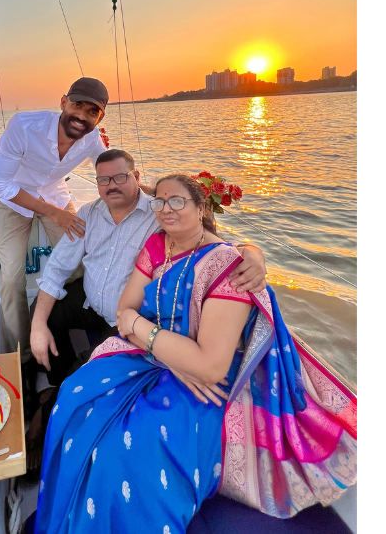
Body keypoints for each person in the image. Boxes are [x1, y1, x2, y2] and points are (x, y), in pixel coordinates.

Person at [34, 173, 357, 533]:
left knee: (129, 448)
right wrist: (168, 351)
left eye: (177, 201)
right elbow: (125, 310)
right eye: (159, 201)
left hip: (211, 382)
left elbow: (209, 365)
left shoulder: (229, 267)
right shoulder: (158, 245)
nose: (165, 209)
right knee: (76, 394)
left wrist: (146, 331)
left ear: (201, 208)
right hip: (158, 358)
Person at [30, 148, 269, 390]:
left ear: (136, 176)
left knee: (86, 375)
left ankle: (67, 384)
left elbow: (199, 237)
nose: (111, 185)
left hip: (127, 316)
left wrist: (249, 250)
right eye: (103, 180)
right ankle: (53, 383)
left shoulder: (158, 213)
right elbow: (57, 268)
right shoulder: (88, 214)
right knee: (42, 315)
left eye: (120, 177)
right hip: (89, 301)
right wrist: (38, 327)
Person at [0, 77, 110, 361]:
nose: (81, 116)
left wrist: (140, 186)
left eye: (92, 112)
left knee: (81, 267)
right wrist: (54, 213)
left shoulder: (92, 137)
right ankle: (24, 355)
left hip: (56, 195)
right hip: (15, 199)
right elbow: (2, 185)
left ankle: (45, 322)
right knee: (11, 278)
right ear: (63, 102)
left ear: (100, 117)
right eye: (76, 105)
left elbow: (106, 166)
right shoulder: (23, 126)